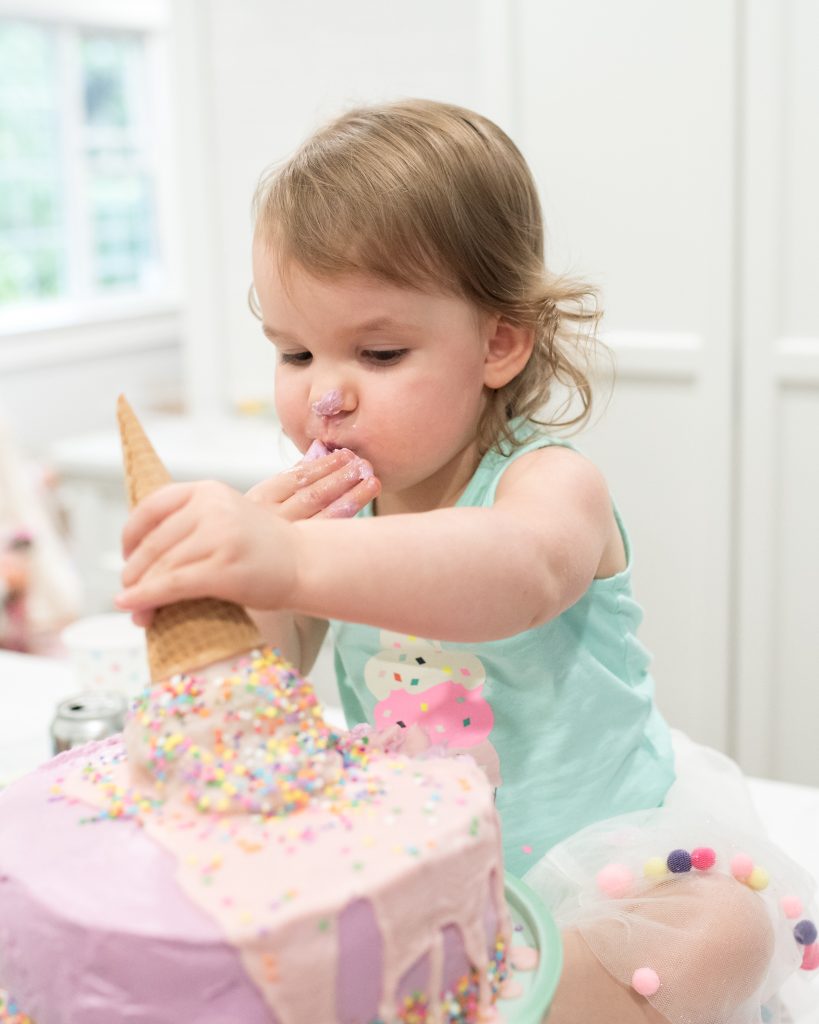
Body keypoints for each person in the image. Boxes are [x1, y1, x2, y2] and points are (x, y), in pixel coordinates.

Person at [115, 99, 816, 1023]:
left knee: (723, 926)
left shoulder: (549, 484)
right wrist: (219, 604)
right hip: (417, 872)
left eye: (378, 351)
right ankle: (466, 986)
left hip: (597, 858)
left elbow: (510, 575)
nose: (324, 395)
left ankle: (523, 998)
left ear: (498, 342)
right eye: (293, 351)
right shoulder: (326, 515)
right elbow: (268, 673)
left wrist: (286, 557)